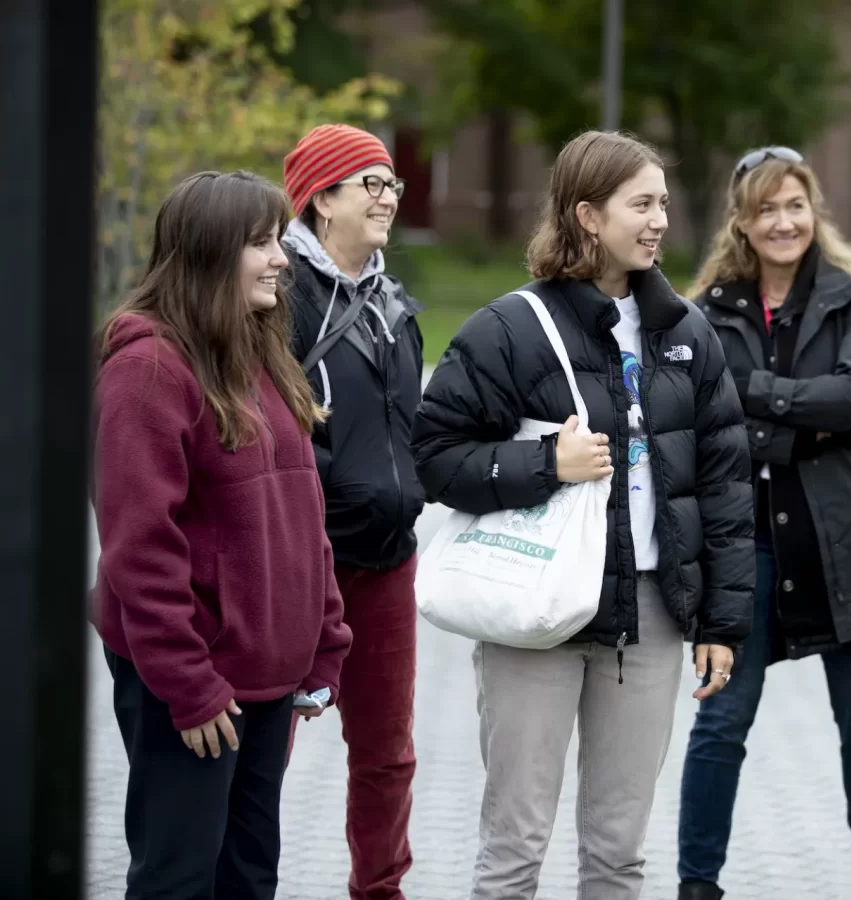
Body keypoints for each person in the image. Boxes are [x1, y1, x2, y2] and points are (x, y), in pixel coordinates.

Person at [411, 130, 754, 900]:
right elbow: (434, 455)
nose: (660, 219)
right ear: (588, 215)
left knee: (619, 853)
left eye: (664, 202)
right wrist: (543, 466)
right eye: (643, 204)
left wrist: (724, 625)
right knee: (515, 849)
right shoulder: (511, 329)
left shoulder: (687, 335)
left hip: (653, 622)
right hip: (536, 616)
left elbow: (727, 484)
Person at [676, 147, 851, 900]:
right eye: (766, 209)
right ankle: (698, 885)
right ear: (743, 222)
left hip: (847, 537)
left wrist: (754, 392)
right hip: (745, 537)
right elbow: (703, 414)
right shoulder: (709, 308)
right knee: (722, 721)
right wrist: (796, 411)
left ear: (813, 211)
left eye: (795, 206)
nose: (783, 222)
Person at [91, 170, 353, 900]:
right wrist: (190, 685)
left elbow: (305, 519)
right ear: (209, 253)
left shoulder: (261, 357)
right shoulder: (145, 371)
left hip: (268, 683)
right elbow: (139, 549)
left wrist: (325, 642)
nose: (282, 258)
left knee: (247, 878)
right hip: (195, 683)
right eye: (262, 243)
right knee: (178, 881)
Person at [281, 124, 423, 900]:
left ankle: (380, 891)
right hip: (303, 565)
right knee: (269, 747)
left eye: (392, 183)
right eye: (369, 181)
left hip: (389, 560)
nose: (388, 196)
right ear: (320, 200)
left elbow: (411, 435)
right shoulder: (278, 301)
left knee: (387, 752)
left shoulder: (394, 307)